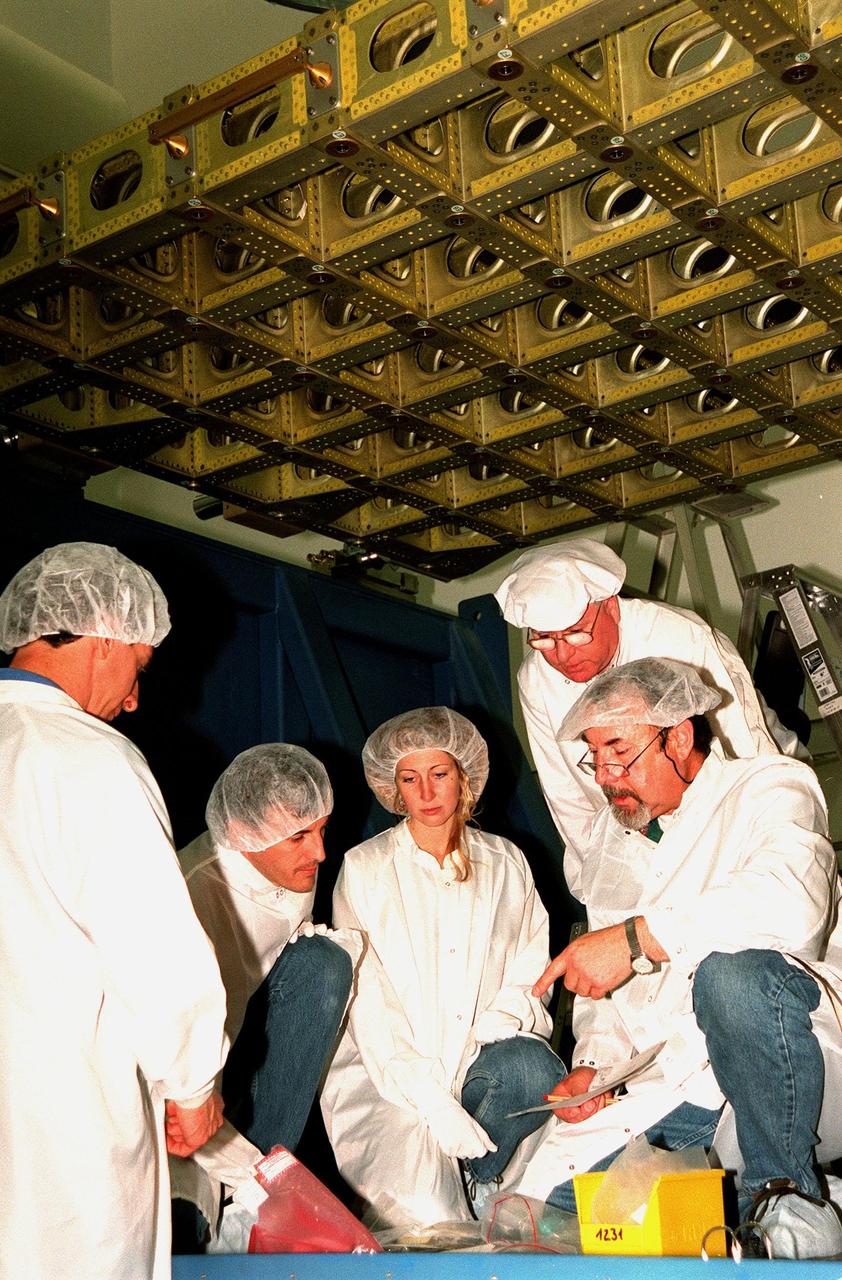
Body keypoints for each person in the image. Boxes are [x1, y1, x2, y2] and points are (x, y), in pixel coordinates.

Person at [513, 657, 842, 1258]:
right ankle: (791, 1202)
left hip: (788, 1052)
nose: (605, 776)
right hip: (673, 1073)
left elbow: (793, 903)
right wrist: (595, 1066)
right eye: (594, 756)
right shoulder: (612, 839)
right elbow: (608, 991)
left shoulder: (769, 786)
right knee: (543, 1218)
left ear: (680, 737)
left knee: (731, 975)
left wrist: (636, 938)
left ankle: (792, 1192)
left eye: (620, 752)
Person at [0, 542, 228, 1280]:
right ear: (104, 636)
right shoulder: (85, 755)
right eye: (140, 666)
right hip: (62, 1128)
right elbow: (152, 949)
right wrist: (193, 1082)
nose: (133, 699)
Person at [321, 707, 565, 1231]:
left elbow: (531, 962)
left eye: (439, 774)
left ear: (464, 776)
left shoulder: (506, 861)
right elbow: (368, 998)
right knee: (428, 1220)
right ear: (393, 788)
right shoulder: (365, 868)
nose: (427, 792)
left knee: (533, 1071)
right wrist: (432, 1101)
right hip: (392, 1080)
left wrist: (500, 1021)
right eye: (410, 779)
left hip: (481, 1064)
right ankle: (459, 1174)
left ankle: (481, 1170)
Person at [493, 538, 801, 862]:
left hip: (738, 790)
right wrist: (599, 870)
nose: (563, 655)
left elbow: (745, 750)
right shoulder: (537, 679)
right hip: (638, 827)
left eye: (576, 633)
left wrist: (764, 848)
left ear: (611, 607)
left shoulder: (680, 638)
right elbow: (568, 795)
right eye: (543, 639)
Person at [179, 743, 358, 1159]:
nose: (320, 853)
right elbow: (173, 1027)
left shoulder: (292, 865)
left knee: (324, 964)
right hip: (183, 1051)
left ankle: (271, 1160)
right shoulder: (190, 895)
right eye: (298, 837)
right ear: (242, 832)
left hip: (248, 1020)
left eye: (322, 829)